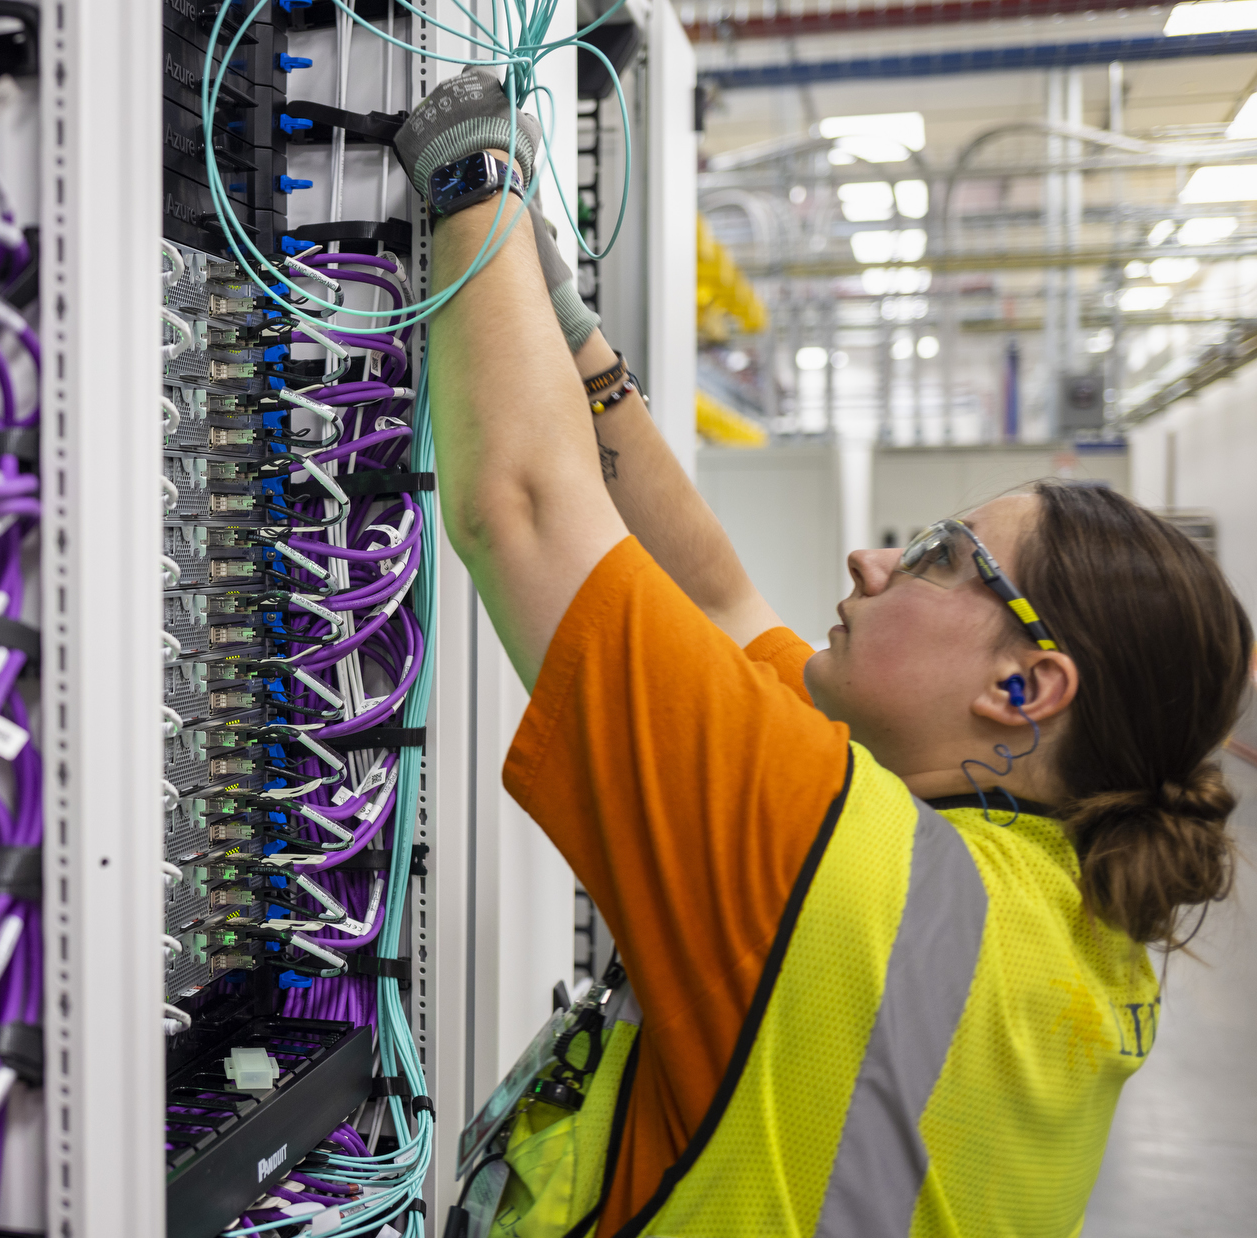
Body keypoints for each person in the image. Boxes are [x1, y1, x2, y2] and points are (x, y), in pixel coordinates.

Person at [391, 72, 1254, 1238]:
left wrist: (467, 178)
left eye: (942, 554)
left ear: (1021, 686)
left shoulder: (843, 867)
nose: (870, 559)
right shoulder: (1063, 908)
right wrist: (576, 339)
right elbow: (721, 594)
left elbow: (525, 510)